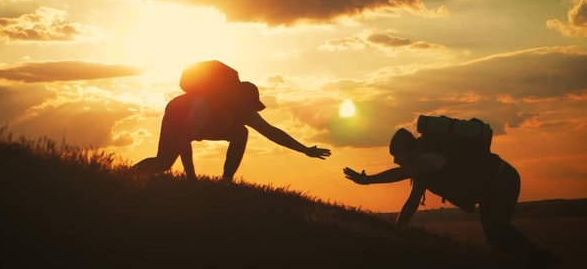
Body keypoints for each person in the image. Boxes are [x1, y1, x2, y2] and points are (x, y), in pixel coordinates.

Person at [343, 126, 559, 267]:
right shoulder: (422, 167)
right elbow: (412, 201)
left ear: (406, 150)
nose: (395, 161)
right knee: (496, 238)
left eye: (396, 156)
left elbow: (401, 173)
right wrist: (398, 230)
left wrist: (368, 180)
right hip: (492, 186)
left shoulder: (427, 159)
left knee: (500, 228)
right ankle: (532, 261)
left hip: (501, 180)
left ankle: (545, 261)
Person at [133, 67, 330, 181]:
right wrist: (191, 178)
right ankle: (127, 175)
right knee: (164, 163)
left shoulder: (246, 112)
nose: (248, 109)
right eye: (246, 105)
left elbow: (272, 133)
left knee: (241, 133)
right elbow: (184, 140)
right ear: (235, 99)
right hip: (179, 115)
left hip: (207, 127)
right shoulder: (202, 106)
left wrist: (304, 150)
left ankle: (226, 181)